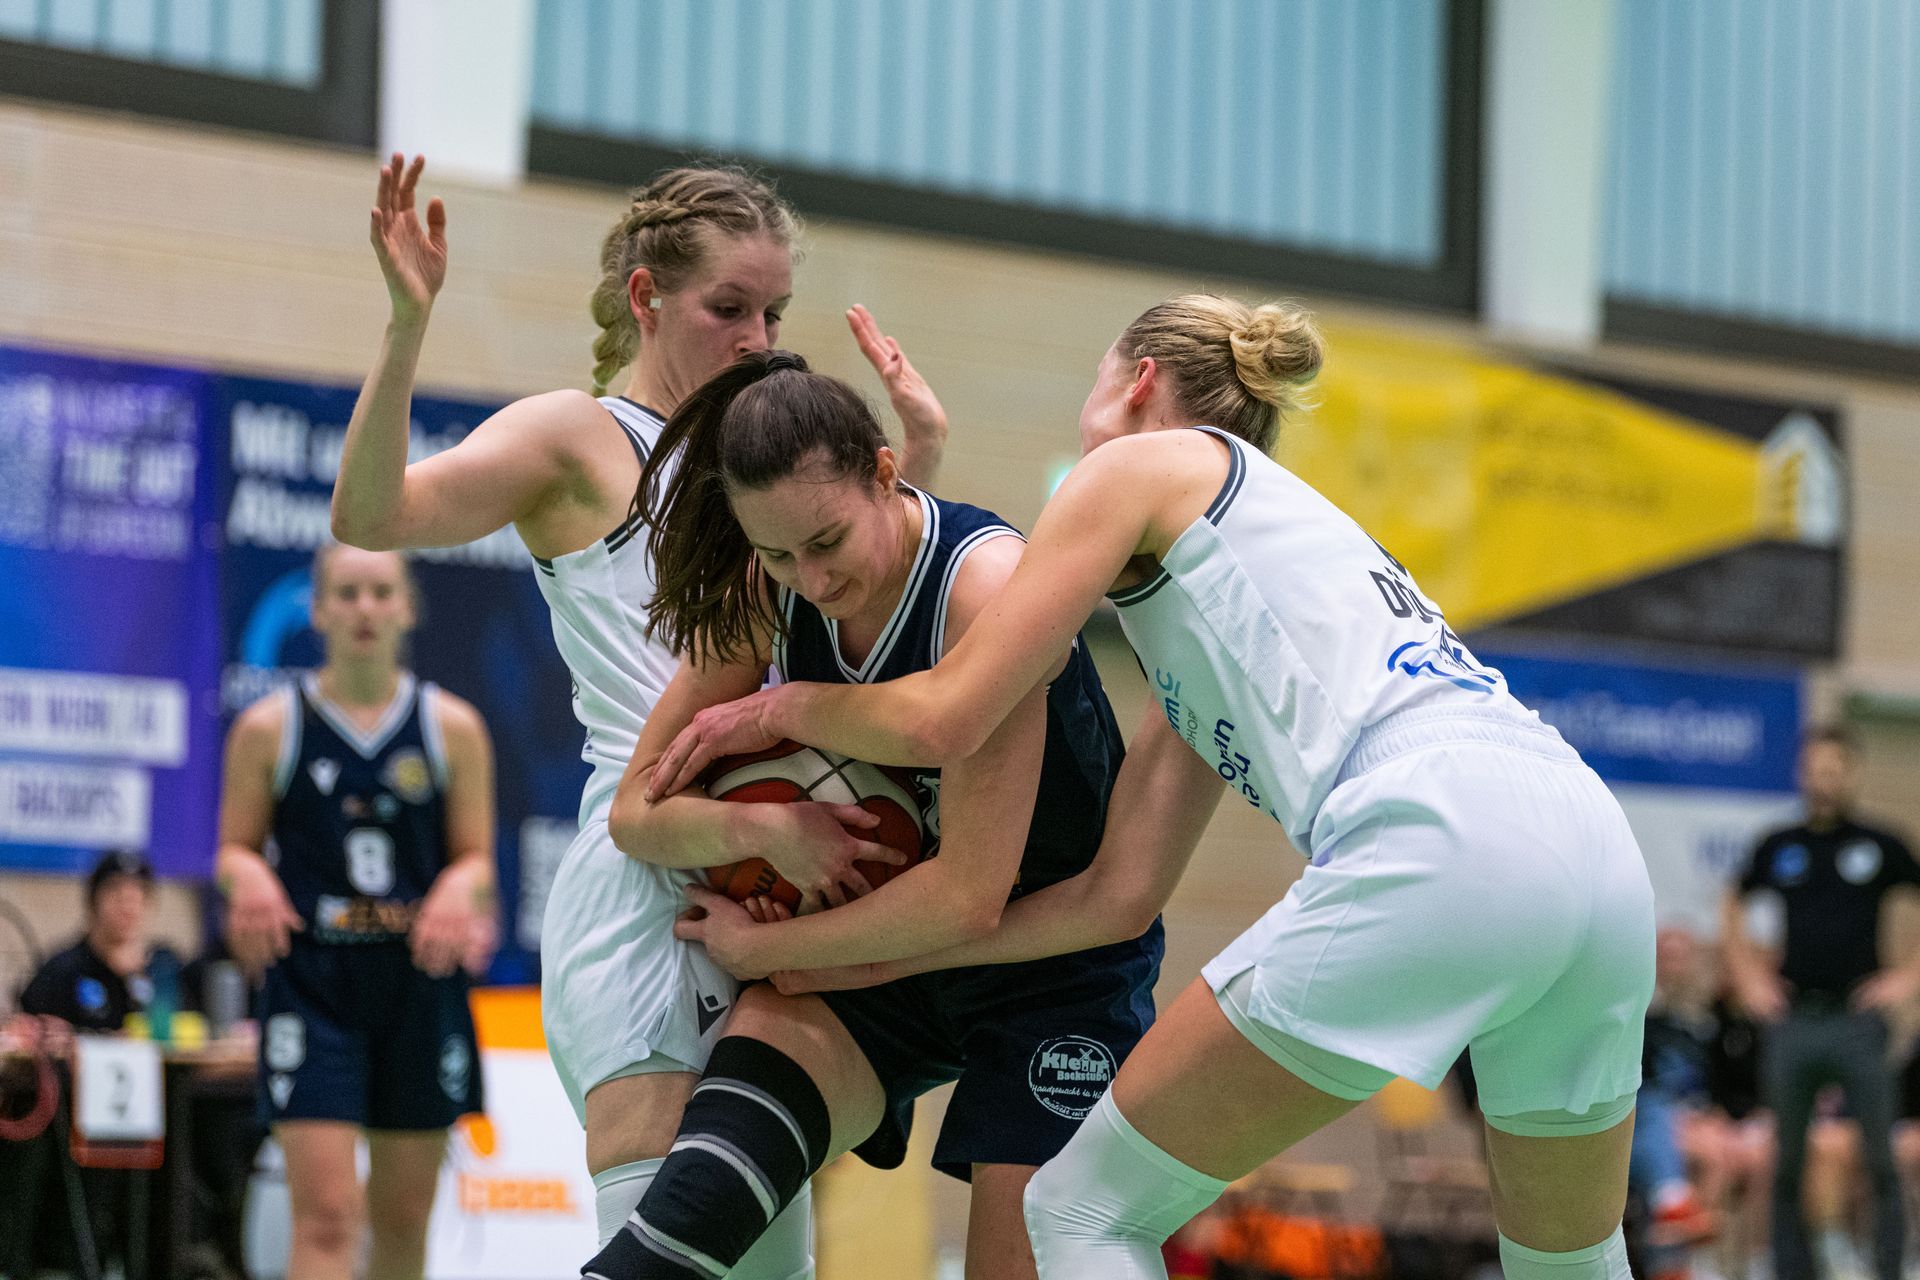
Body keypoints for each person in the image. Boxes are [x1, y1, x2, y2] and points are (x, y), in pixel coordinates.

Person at [646, 294, 1658, 1280]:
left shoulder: (1133, 465)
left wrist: (776, 711)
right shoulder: (1231, 586)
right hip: (1593, 850)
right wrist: (870, 956)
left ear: (1136, 382)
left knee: (1079, 1209)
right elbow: (1116, 898)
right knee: (1572, 1262)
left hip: (1441, 831)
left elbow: (950, 714)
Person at [330, 154, 951, 1268]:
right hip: (646, 882)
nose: (757, 338)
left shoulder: (776, 467)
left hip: (774, 881)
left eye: (774, 313)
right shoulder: (580, 435)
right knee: (660, 1259)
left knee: (771, 1267)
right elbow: (373, 515)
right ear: (645, 297)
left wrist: (917, 469)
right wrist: (406, 324)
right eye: (729, 308)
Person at [578, 350, 1165, 1280]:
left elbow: (968, 898)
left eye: (827, 542)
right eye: (778, 553)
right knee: (692, 1201)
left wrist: (771, 947)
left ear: (886, 473)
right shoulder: (770, 589)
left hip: (1049, 961)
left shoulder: (985, 588)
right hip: (882, 943)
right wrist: (765, 834)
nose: (810, 579)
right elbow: (635, 812)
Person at [217, 543, 497, 1280]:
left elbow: (477, 862)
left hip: (418, 989)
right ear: (317, 611)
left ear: (407, 607)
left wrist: (457, 889)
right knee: (328, 1218)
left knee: (403, 1221)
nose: (364, 608)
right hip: (314, 991)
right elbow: (232, 851)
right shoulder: (269, 728)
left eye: (380, 592)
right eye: (346, 593)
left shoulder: (452, 728)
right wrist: (249, 878)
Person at [1721, 726, 1920, 1280]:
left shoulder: (1880, 844)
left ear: (1851, 773)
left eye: (1834, 770)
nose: (1823, 781)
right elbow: (1732, 902)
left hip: (1859, 1022)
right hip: (1794, 1021)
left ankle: (1888, 1267)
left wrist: (1907, 978)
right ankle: (1793, 1270)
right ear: (1801, 774)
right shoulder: (1779, 844)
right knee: (1787, 1160)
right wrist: (1749, 979)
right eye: (1814, 770)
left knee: (1878, 1158)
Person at [19, 851, 173, 1032]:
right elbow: (28, 1032)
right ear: (93, 901)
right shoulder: (62, 972)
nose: (127, 906)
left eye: (138, 894)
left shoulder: (165, 968)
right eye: (115, 891)